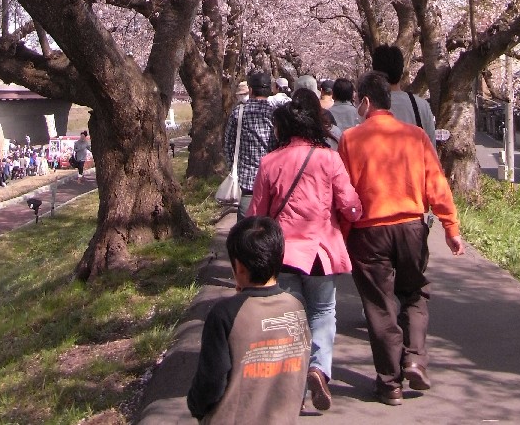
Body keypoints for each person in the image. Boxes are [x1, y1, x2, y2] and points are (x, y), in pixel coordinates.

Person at [339, 70, 465, 406]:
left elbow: (344, 195)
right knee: (414, 293)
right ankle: (414, 359)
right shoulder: (416, 137)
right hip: (411, 227)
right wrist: (451, 228)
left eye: (356, 102)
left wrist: (341, 234)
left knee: (380, 307)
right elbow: (436, 185)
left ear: (365, 102)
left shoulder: (350, 139)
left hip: (368, 233)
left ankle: (389, 384)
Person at [248, 89, 362, 412]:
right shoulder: (329, 158)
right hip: (320, 253)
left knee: (289, 319)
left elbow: (255, 215)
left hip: (282, 254)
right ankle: (319, 368)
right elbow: (351, 204)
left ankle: (291, 384)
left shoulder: (270, 162)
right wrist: (352, 218)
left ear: (283, 127)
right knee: (323, 312)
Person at [187, 216, 311, 425]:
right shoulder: (297, 306)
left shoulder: (225, 314)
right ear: (280, 258)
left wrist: (196, 405)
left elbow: (211, 383)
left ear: (239, 266)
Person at [223, 69, 275, 220]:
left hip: (246, 181)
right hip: (272, 179)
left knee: (245, 228)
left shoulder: (238, 112)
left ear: (250, 90)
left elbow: (228, 145)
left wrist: (233, 168)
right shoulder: (276, 113)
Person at [372, 44, 437, 144]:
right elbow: (431, 148)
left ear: (374, 73)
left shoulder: (368, 107)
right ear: (402, 71)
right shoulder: (421, 105)